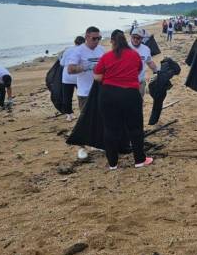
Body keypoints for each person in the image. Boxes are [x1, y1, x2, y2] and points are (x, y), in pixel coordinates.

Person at [94, 30, 153, 170]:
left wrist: (110, 77)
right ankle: (139, 160)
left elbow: (97, 76)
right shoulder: (134, 55)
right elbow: (138, 70)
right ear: (126, 40)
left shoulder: (106, 56)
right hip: (130, 94)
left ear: (112, 42)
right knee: (135, 128)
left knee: (110, 129)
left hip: (108, 95)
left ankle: (113, 163)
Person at [65, 26, 105, 111]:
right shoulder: (79, 51)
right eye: (94, 38)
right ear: (87, 37)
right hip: (85, 93)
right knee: (86, 121)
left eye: (99, 38)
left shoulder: (101, 49)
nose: (97, 41)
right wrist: (86, 67)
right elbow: (70, 69)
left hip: (100, 91)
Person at [60, 36, 85, 121]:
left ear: (75, 42)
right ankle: (83, 112)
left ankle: (69, 115)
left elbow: (62, 63)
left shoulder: (68, 50)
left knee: (67, 96)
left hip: (67, 76)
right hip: (79, 76)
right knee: (82, 95)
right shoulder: (84, 50)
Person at [130, 28, 159, 97]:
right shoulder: (125, 47)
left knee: (139, 103)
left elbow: (149, 62)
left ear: (142, 38)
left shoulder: (146, 49)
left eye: (138, 38)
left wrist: (157, 71)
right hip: (127, 83)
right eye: (134, 37)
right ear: (131, 37)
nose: (135, 39)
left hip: (140, 82)